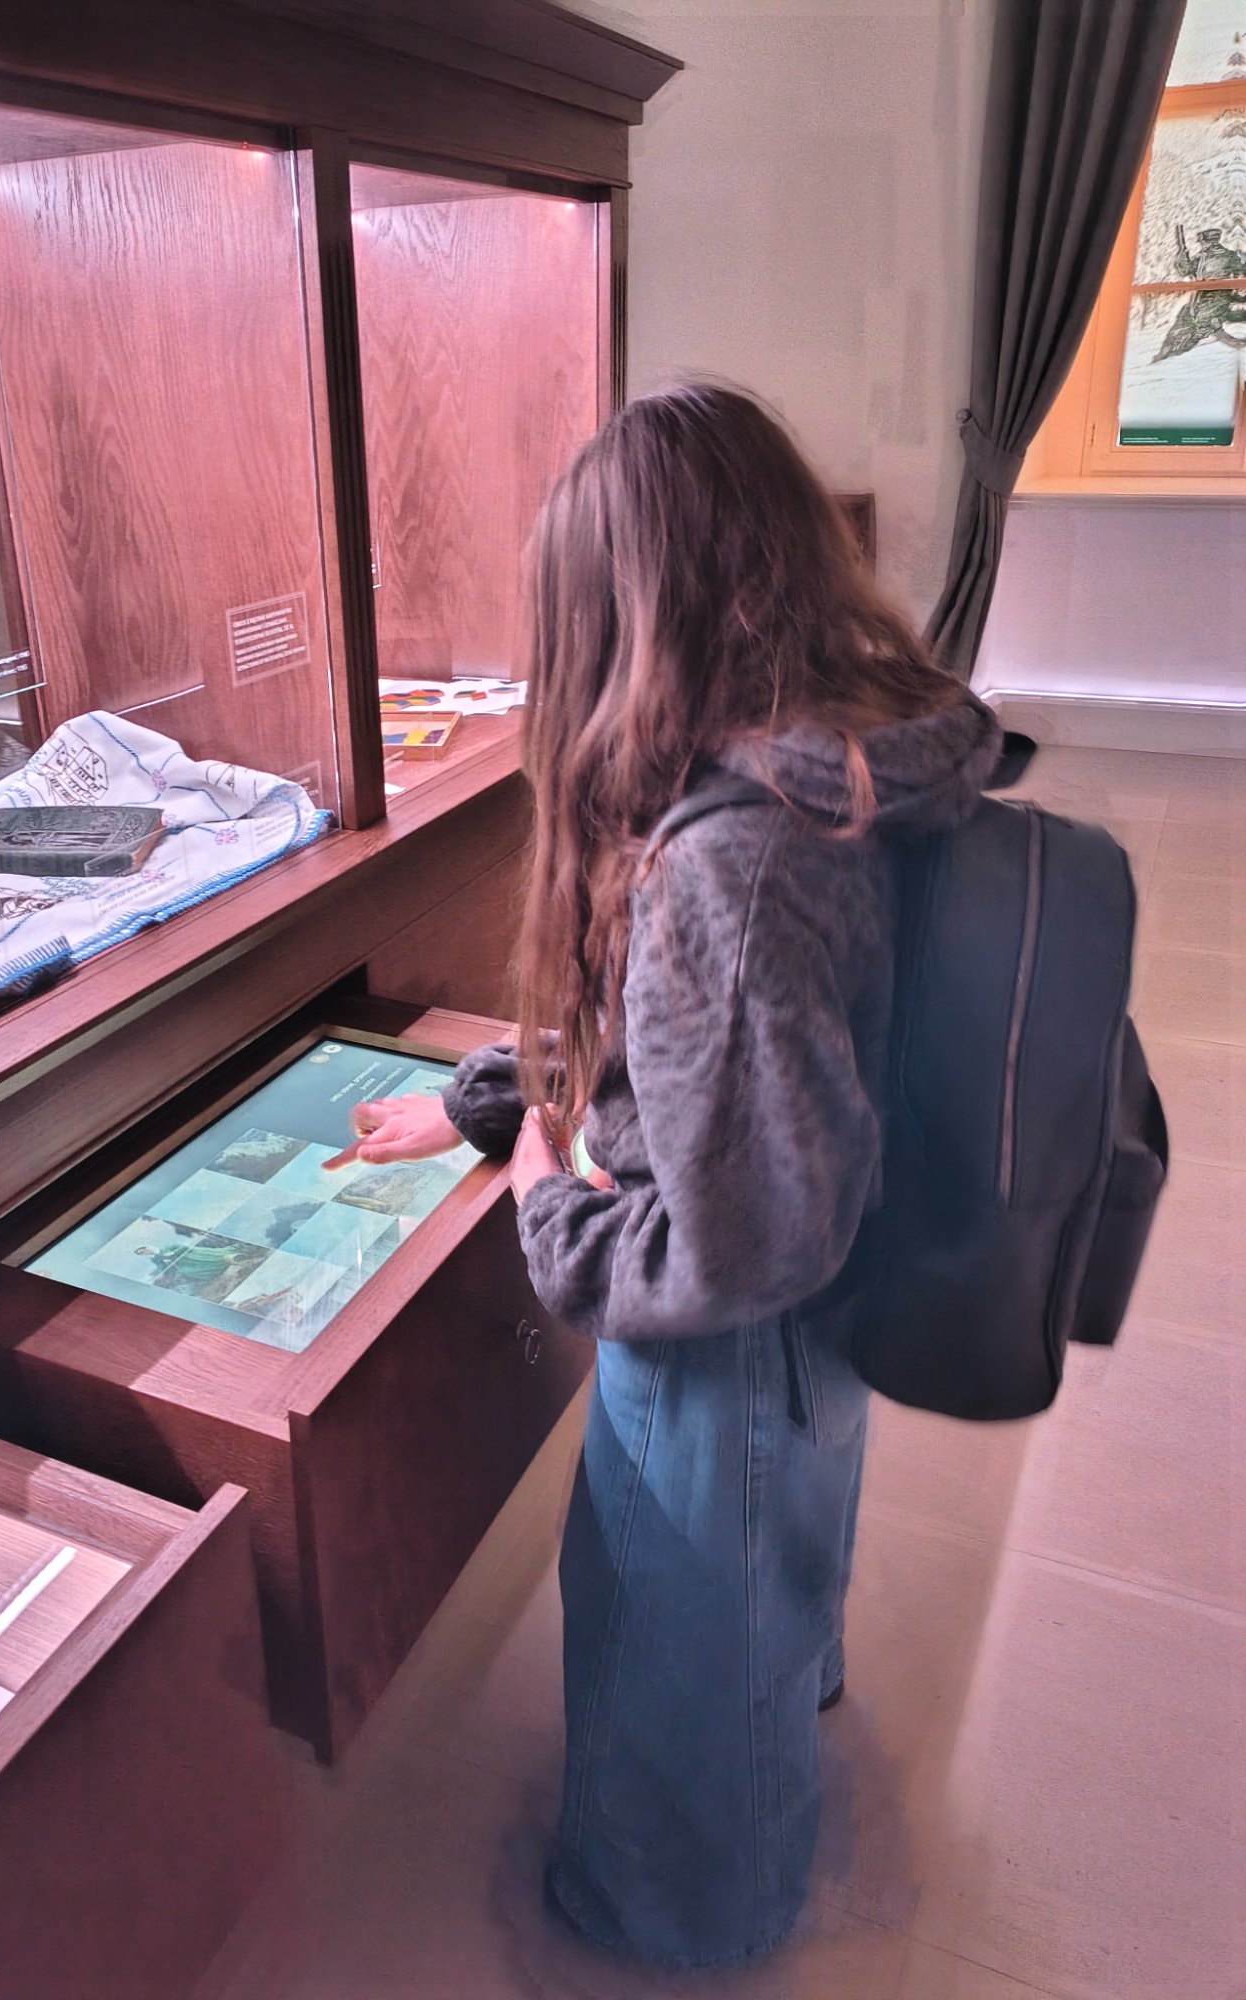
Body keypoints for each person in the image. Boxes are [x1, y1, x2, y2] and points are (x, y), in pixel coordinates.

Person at [329, 383, 1003, 1975]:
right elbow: (708, 1054)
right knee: (771, 1576)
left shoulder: (731, 861)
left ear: (625, 617)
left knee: (673, 1624)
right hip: (842, 1286)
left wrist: (546, 1201)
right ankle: (778, 1720)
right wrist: (499, 1100)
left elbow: (735, 1243)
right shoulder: (847, 760)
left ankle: (677, 1911)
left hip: (734, 1346)